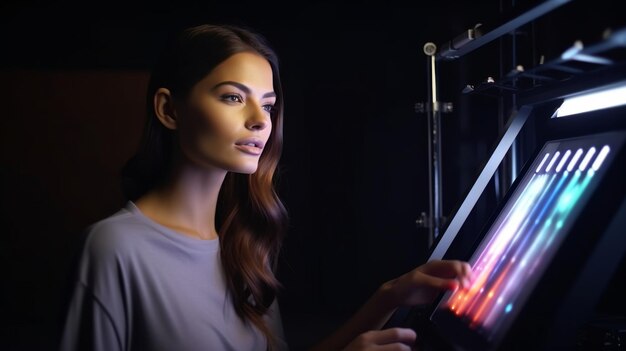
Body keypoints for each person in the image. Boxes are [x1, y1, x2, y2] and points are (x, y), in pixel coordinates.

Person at [59, 23, 472, 351]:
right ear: (169, 110)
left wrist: (390, 297)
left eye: (268, 105)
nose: (260, 120)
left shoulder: (244, 243)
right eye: (233, 98)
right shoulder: (113, 248)